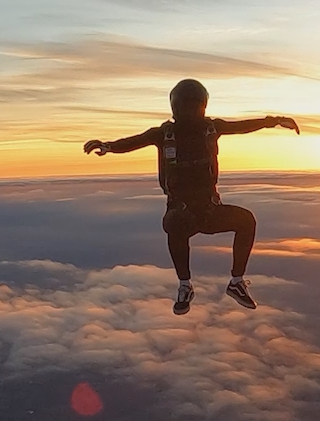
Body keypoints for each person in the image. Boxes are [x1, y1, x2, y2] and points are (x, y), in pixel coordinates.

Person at [84, 79, 300, 315]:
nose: (189, 111)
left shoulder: (206, 129)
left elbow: (243, 125)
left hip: (207, 213)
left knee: (245, 220)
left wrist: (274, 121)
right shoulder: (168, 133)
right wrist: (108, 146)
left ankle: (234, 283)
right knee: (177, 223)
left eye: (192, 105)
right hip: (186, 214)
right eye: (186, 105)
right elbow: (134, 141)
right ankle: (186, 285)